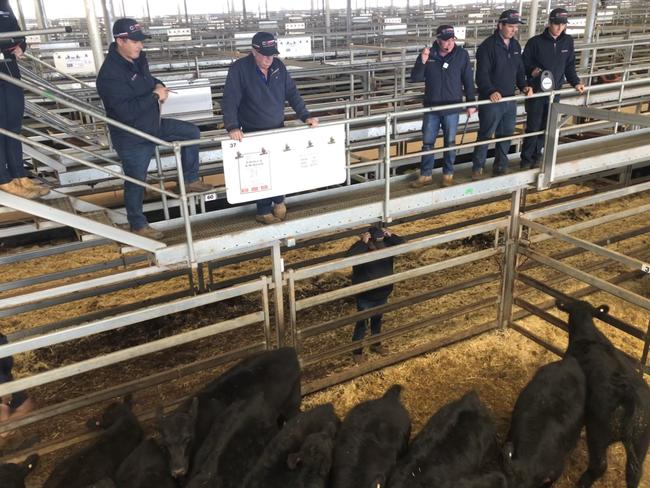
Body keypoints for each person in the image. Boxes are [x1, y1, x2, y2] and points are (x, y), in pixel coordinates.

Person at [96, 18, 213, 240]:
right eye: (135, 41)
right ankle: (138, 224)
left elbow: (147, 79)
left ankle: (189, 180)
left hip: (153, 124)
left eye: (141, 41)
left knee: (191, 132)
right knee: (136, 180)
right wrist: (154, 97)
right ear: (120, 40)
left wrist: (157, 84)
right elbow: (125, 112)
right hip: (132, 135)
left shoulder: (137, 59)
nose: (140, 46)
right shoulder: (109, 74)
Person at [221, 32, 319, 225]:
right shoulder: (239, 69)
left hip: (277, 128)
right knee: (260, 170)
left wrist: (305, 115)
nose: (269, 58)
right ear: (253, 51)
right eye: (264, 54)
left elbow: (292, 93)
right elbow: (229, 99)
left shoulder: (278, 67)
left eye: (272, 54)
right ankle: (263, 209)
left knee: (279, 166)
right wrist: (232, 126)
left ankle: (280, 200)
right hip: (252, 130)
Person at [410, 25, 476, 189]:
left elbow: (468, 79)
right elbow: (416, 77)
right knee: (427, 143)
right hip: (431, 107)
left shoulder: (461, 55)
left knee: (450, 142)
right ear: (438, 40)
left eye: (452, 39)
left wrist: (471, 102)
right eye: (446, 40)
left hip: (452, 107)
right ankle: (425, 175)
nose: (449, 43)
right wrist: (422, 61)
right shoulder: (429, 54)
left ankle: (448, 174)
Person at [520, 7, 585, 170]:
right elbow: (523, 64)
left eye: (563, 24)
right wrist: (532, 71)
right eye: (556, 24)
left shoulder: (567, 42)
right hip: (537, 91)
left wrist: (575, 82)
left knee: (547, 124)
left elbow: (569, 65)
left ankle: (538, 156)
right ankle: (526, 159)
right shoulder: (535, 42)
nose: (559, 27)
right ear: (549, 23)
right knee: (533, 125)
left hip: (554, 92)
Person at [472, 10, 532, 179]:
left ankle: (500, 166)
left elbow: (519, 70)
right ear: (500, 25)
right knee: (486, 133)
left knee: (506, 134)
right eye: (511, 26)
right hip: (492, 100)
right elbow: (481, 75)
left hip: (510, 98)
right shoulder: (488, 46)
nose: (514, 30)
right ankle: (477, 167)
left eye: (516, 27)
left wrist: (524, 86)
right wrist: (490, 91)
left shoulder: (515, 45)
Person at [0, 1, 49, 199]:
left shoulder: (4, 3)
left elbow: (18, 32)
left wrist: (22, 46)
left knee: (13, 123)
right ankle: (3, 179)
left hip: (9, 67)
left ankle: (19, 175)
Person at [346, 226, 405, 364]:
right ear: (369, 238)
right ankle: (357, 351)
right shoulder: (362, 248)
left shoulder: (388, 244)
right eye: (377, 240)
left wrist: (392, 235)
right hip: (366, 294)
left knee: (377, 319)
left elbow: (402, 243)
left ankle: (376, 344)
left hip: (383, 291)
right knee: (362, 322)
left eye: (381, 238)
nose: (379, 243)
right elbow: (348, 257)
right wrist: (362, 242)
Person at [0, 333, 35, 452]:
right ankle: (9, 439)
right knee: (4, 413)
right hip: (3, 383)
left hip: (4, 378)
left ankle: (14, 440)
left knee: (27, 405)